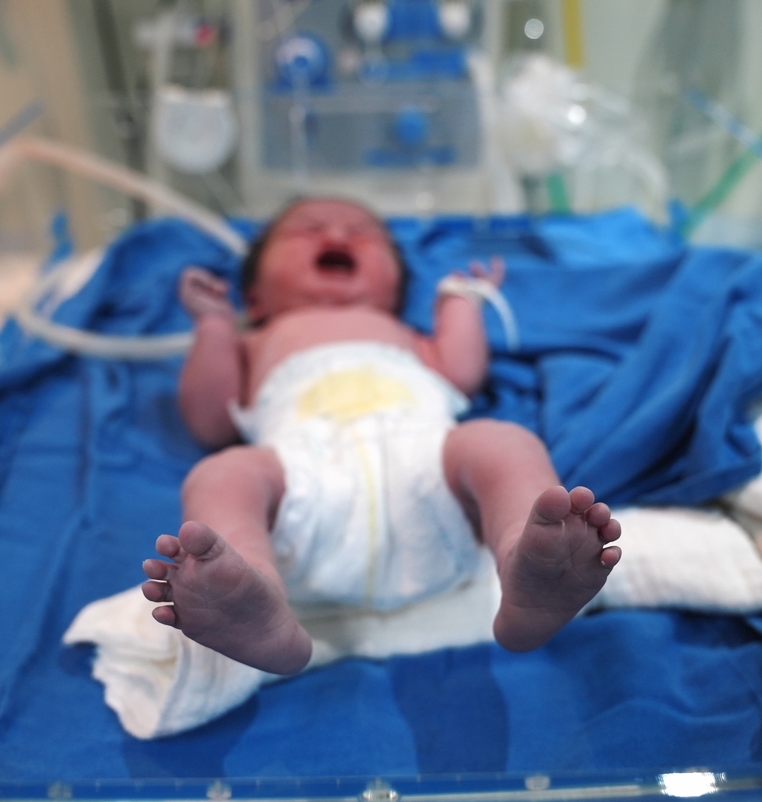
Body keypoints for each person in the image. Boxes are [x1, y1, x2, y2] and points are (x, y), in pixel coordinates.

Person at [141, 197, 622, 675]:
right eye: (307, 229)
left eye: (363, 233)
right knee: (222, 474)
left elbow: (461, 372)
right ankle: (249, 595)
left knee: (503, 443)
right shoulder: (255, 341)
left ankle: (528, 559)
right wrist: (214, 325)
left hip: (431, 469)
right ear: (255, 298)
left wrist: (459, 302)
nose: (337, 235)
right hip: (301, 481)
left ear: (395, 289)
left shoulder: (406, 336)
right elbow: (210, 420)